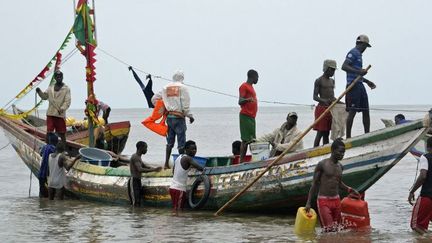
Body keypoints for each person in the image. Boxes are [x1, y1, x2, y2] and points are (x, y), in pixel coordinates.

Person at [305, 138, 360, 232]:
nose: (342, 154)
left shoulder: (340, 167)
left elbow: (338, 183)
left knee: (337, 229)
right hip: (323, 201)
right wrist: (308, 202)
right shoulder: (322, 164)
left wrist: (349, 189)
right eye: (340, 152)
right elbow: (314, 184)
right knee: (329, 230)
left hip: (337, 200)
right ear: (333, 150)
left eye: (344, 152)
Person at [152, 70, 194, 169]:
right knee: (181, 143)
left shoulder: (165, 87)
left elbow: (154, 99)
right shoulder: (183, 88)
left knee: (170, 142)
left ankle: (166, 164)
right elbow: (185, 105)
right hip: (179, 118)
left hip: (169, 118)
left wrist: (163, 109)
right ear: (182, 78)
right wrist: (190, 116)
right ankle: (180, 166)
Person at [342, 35, 376, 138]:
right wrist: (359, 71)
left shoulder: (360, 55)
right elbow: (344, 66)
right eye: (365, 46)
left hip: (359, 84)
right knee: (352, 111)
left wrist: (367, 81)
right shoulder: (353, 52)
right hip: (353, 86)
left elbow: (358, 74)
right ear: (361, 44)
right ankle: (348, 137)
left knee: (366, 110)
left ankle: (367, 135)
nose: (365, 49)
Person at [169, 140, 204, 215]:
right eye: (192, 149)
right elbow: (200, 168)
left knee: (175, 208)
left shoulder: (179, 157)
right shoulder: (188, 159)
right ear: (186, 149)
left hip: (172, 188)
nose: (194, 151)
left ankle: (174, 224)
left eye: (195, 149)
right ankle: (178, 225)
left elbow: (174, 171)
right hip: (179, 189)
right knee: (178, 210)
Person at [36, 70, 71, 144]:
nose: (59, 78)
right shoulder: (50, 88)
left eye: (60, 76)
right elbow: (44, 97)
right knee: (49, 132)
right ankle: (47, 147)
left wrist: (62, 108)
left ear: (62, 77)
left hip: (60, 114)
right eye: (57, 77)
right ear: (55, 78)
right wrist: (39, 92)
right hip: (50, 114)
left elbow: (67, 102)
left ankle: (63, 149)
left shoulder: (66, 89)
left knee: (62, 133)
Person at [409, 137, 432, 234]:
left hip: (426, 196)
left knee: (416, 226)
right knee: (424, 225)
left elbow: (423, 176)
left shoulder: (425, 157)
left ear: (427, 146)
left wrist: (412, 191)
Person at [128, 141, 162, 207]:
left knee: (138, 201)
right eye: (145, 148)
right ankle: (134, 215)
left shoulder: (138, 157)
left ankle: (137, 215)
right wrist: (154, 169)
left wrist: (156, 168)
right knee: (135, 202)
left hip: (138, 180)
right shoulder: (135, 157)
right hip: (134, 181)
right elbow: (140, 169)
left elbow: (145, 166)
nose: (146, 150)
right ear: (141, 148)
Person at [313, 60, 337, 147]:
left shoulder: (332, 81)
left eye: (334, 70)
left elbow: (332, 97)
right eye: (331, 69)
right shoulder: (319, 80)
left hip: (330, 109)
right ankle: (314, 149)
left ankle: (325, 149)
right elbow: (315, 97)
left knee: (327, 132)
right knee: (320, 132)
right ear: (326, 69)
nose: (333, 72)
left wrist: (339, 102)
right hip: (321, 109)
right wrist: (324, 101)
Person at [239, 69, 259, 162]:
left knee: (251, 139)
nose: (258, 79)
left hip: (251, 117)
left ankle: (254, 158)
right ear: (252, 76)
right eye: (257, 77)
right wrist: (248, 100)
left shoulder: (251, 87)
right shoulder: (244, 86)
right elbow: (240, 101)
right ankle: (241, 161)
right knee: (245, 140)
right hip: (245, 115)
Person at [38, 133, 59, 198]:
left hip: (41, 173)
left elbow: (41, 153)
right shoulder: (53, 148)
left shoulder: (44, 147)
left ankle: (42, 203)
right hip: (48, 173)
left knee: (42, 190)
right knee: (51, 191)